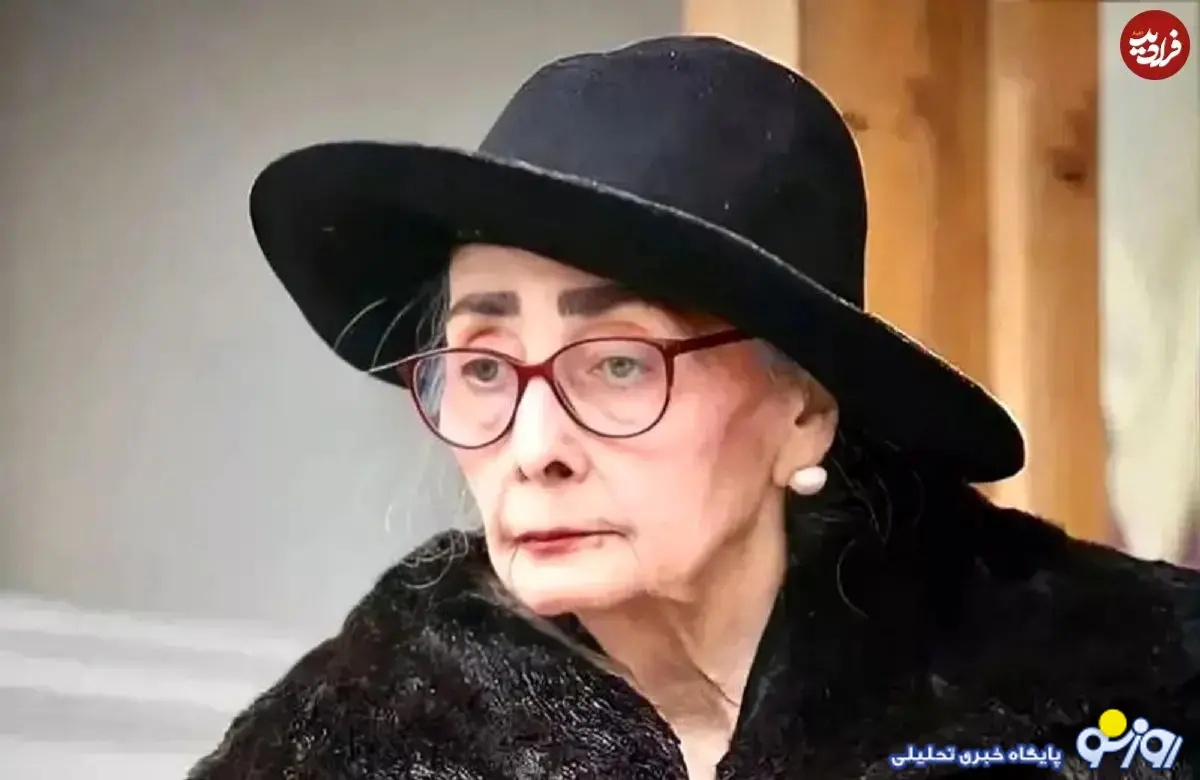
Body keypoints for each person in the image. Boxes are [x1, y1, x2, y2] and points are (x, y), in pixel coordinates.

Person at [189, 36, 1199, 780]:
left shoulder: (1126, 686)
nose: (534, 447)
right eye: (485, 367)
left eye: (619, 364)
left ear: (804, 413)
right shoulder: (352, 737)